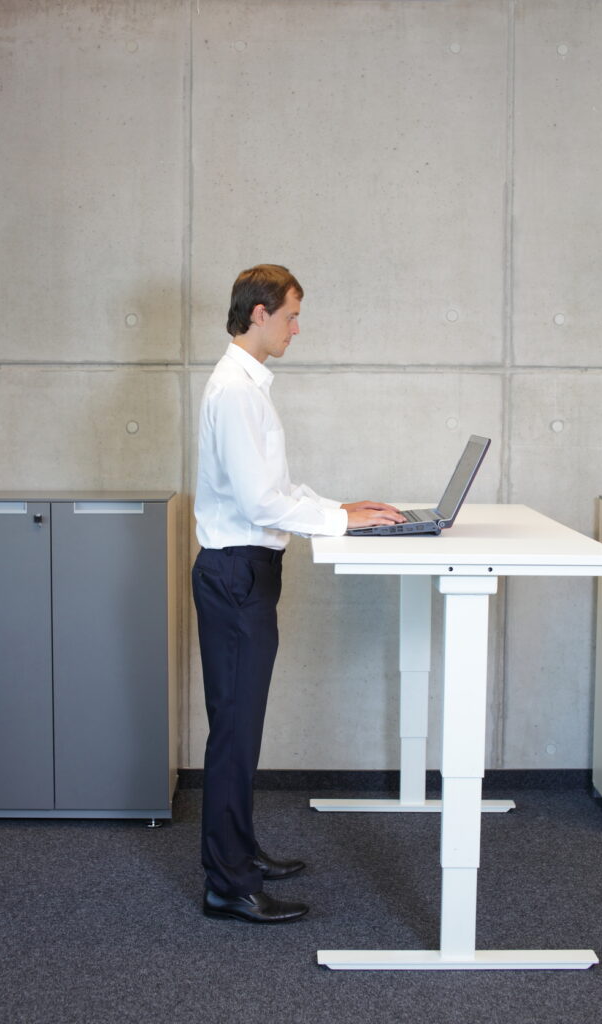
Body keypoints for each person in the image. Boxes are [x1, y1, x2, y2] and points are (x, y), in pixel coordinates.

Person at [192, 264, 405, 924]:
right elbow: (260, 502)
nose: (296, 327)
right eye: (290, 315)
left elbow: (274, 490)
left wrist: (340, 505)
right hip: (236, 575)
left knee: (241, 728)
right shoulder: (235, 391)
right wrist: (342, 522)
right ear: (258, 313)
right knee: (234, 733)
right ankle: (228, 884)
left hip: (245, 573)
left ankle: (241, 854)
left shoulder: (248, 387)